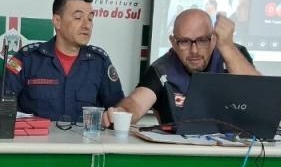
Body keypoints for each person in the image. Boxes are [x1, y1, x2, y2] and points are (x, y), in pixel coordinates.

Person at [0, 0, 124, 124]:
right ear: (57, 21)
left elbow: (118, 112)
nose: (87, 25)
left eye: (90, 19)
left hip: (83, 139)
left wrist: (112, 117)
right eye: (78, 17)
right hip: (35, 139)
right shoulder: (27, 58)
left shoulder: (99, 62)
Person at [108, 9, 258, 126]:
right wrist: (122, 112)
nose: (194, 50)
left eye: (202, 40)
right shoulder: (162, 69)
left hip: (235, 151)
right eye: (184, 42)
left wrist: (227, 46)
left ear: (213, 40)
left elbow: (258, 99)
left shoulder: (233, 54)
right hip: (180, 152)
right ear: (173, 43)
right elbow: (136, 103)